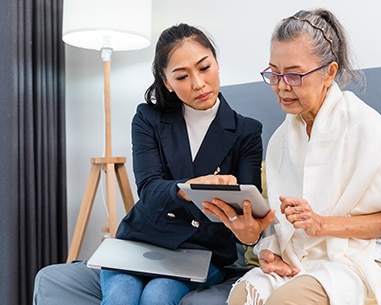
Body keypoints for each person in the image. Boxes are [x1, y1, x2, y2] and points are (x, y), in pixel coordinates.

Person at [203, 9, 381, 305]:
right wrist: (269, 251)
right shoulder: (281, 141)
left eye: (294, 75)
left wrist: (323, 225)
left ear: (329, 73)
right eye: (274, 73)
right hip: (312, 255)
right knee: (245, 296)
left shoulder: (372, 132)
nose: (282, 86)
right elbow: (284, 227)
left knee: (285, 301)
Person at [98, 23, 274, 305]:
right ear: (167, 82)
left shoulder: (247, 132)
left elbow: (247, 208)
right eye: (182, 76)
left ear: (216, 63)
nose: (198, 84)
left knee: (157, 296)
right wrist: (189, 187)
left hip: (202, 251)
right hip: (140, 242)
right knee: (119, 298)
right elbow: (149, 190)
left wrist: (249, 233)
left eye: (204, 68)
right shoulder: (147, 118)